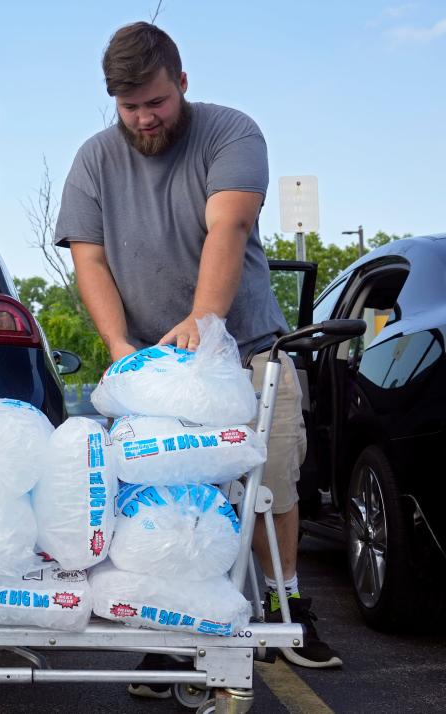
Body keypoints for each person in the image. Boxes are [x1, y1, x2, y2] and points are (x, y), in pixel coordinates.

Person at [54, 22, 342, 694]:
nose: (144, 118)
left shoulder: (230, 132)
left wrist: (203, 322)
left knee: (269, 483)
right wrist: (124, 348)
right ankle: (173, 635)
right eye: (129, 107)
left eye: (155, 102)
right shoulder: (94, 160)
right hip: (158, 369)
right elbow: (88, 258)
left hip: (244, 351)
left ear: (181, 84)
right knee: (171, 501)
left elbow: (229, 226)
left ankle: (286, 600)